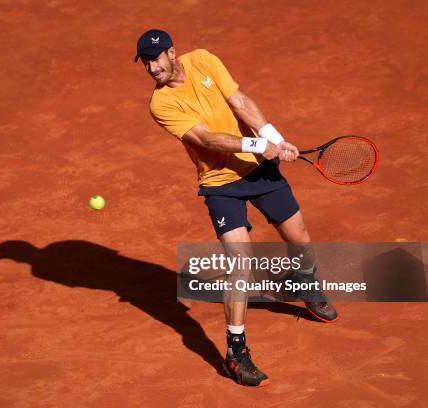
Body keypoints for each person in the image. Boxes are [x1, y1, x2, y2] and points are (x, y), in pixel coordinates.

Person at [134, 29, 338, 387]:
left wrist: (274, 138)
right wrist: (257, 143)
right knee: (239, 262)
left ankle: (305, 282)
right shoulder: (160, 104)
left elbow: (240, 101)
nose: (151, 68)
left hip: (259, 170)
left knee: (299, 236)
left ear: (172, 53)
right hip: (219, 185)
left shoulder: (204, 60)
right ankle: (236, 351)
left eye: (155, 59)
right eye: (146, 63)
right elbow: (205, 138)